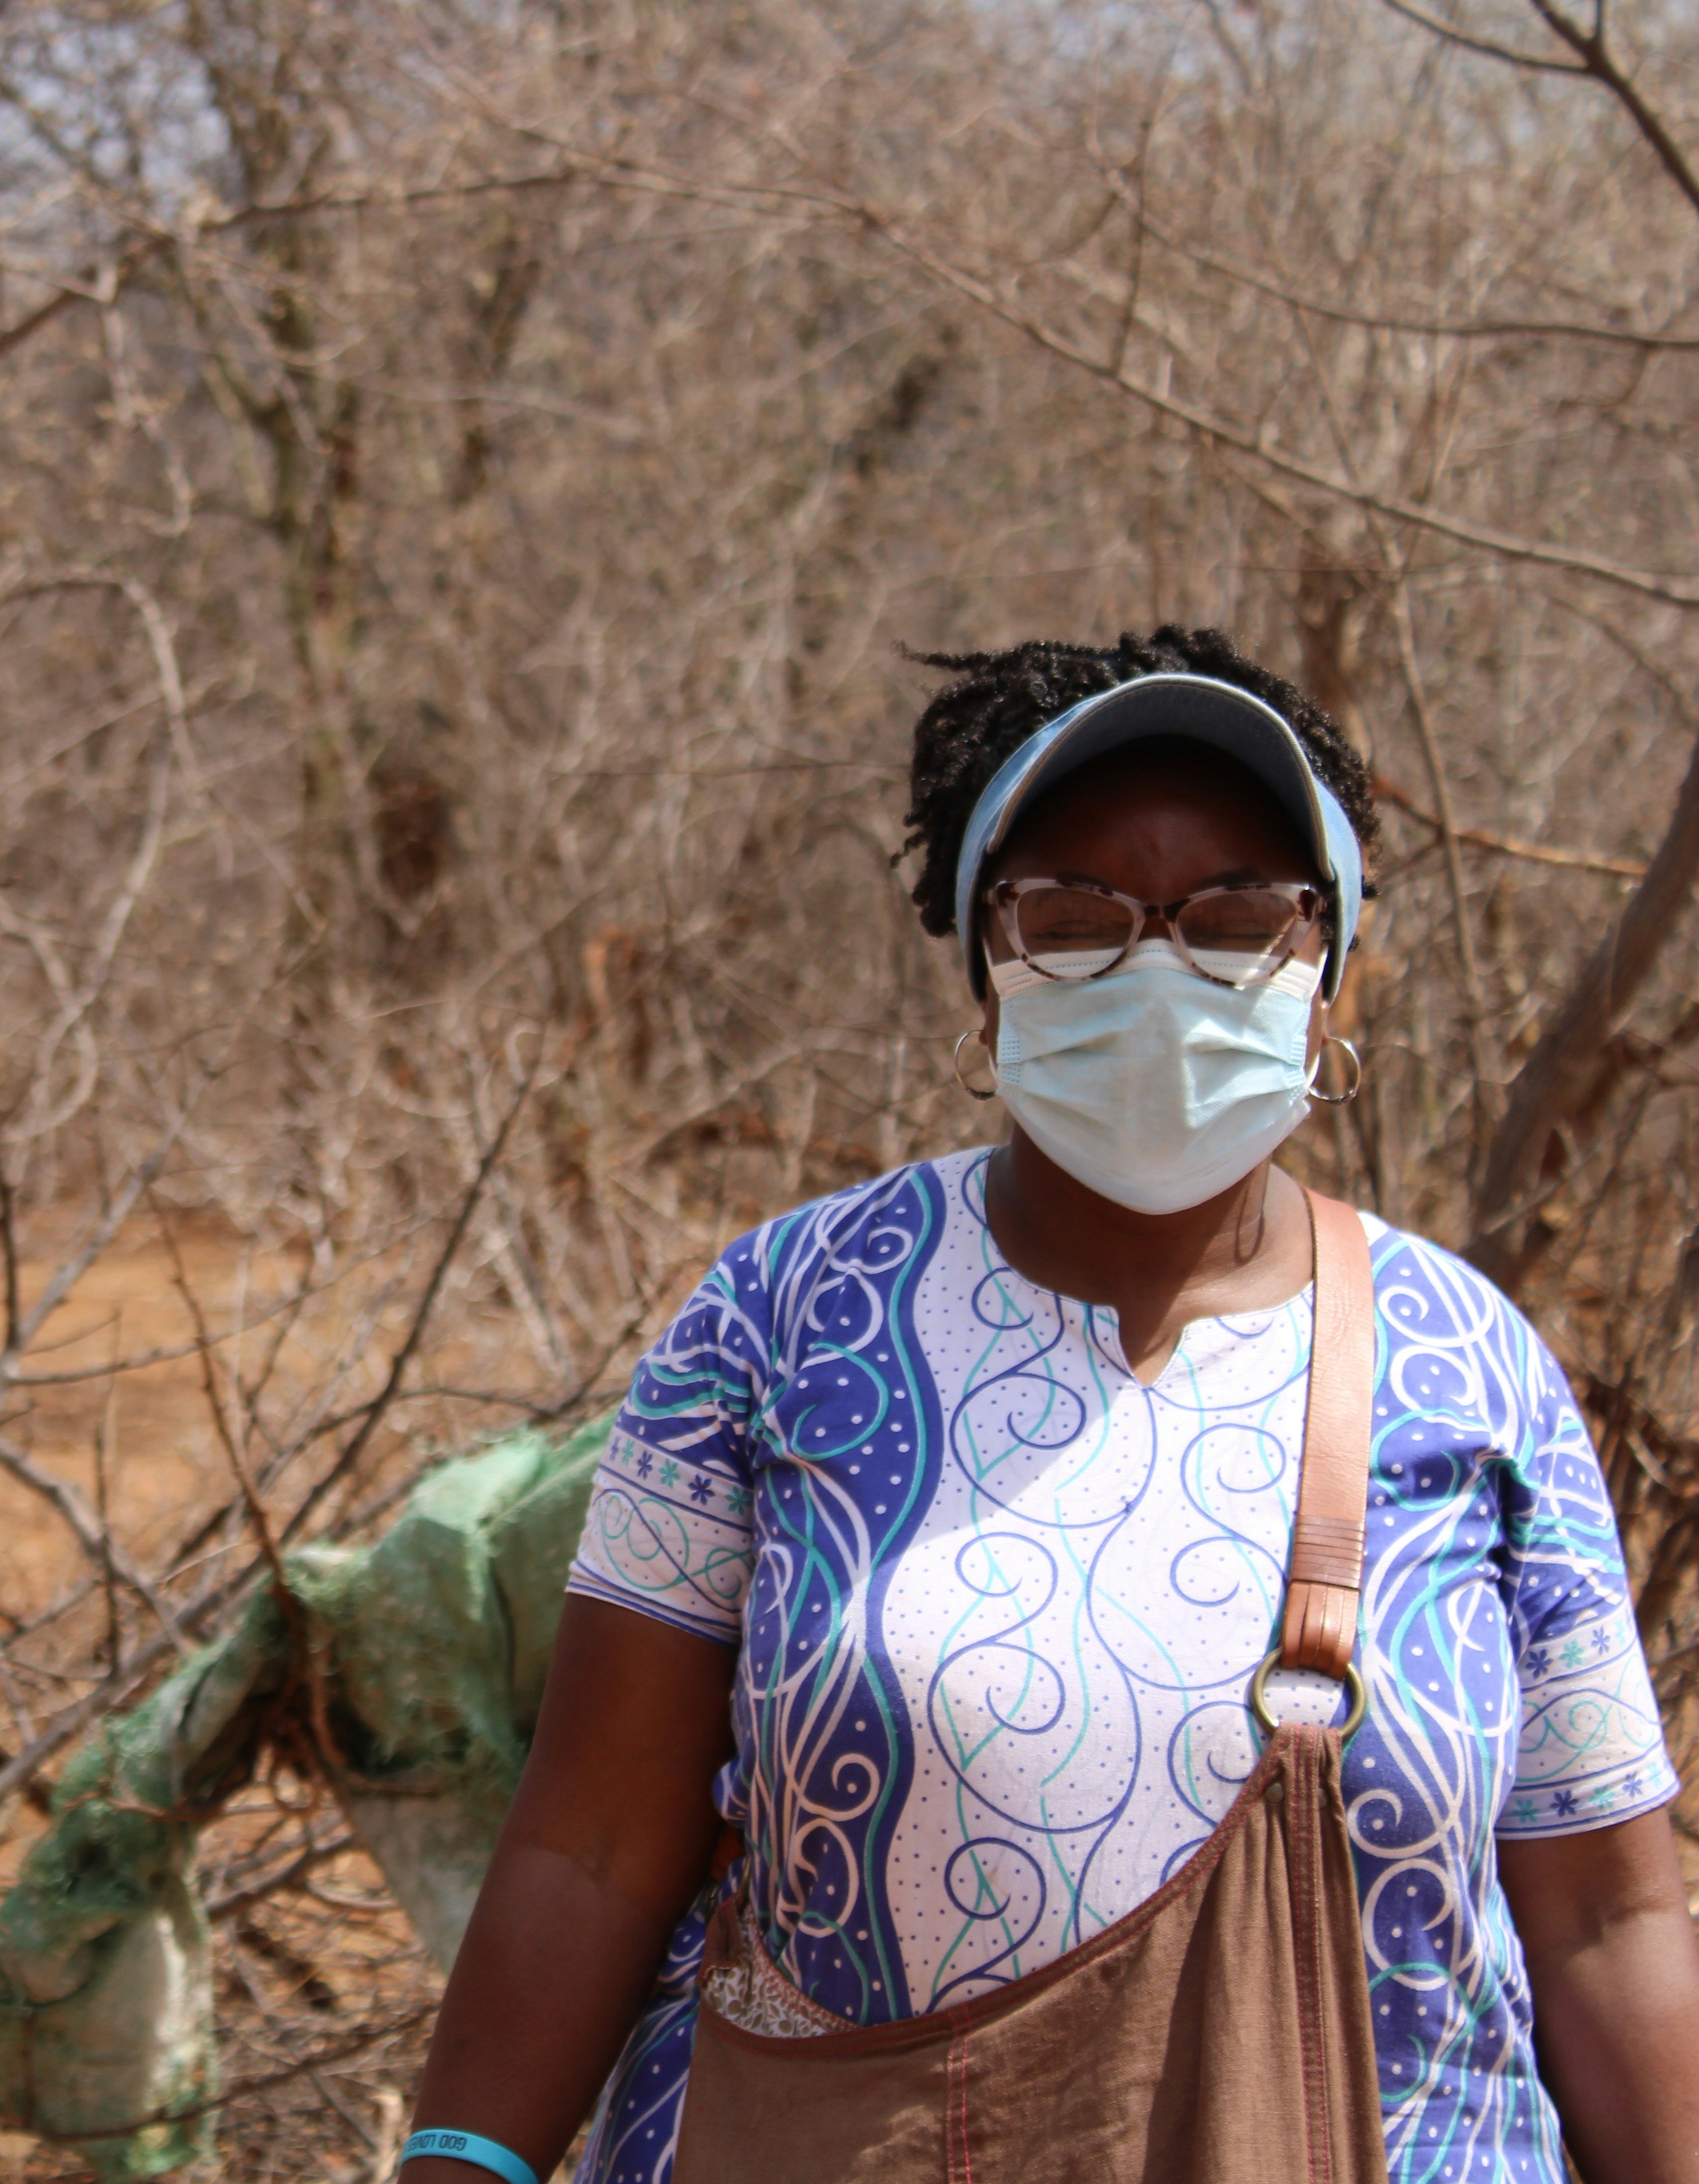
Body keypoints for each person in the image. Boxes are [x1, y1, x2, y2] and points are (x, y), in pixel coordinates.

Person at [400, 629, 1699, 2184]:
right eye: (1074, 916)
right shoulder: (780, 1317)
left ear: (1331, 966)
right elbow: (593, 1844)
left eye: (1237, 917)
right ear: (983, 964)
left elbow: (1608, 1911)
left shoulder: (1469, 1361)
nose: (1159, 969)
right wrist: (463, 2163)